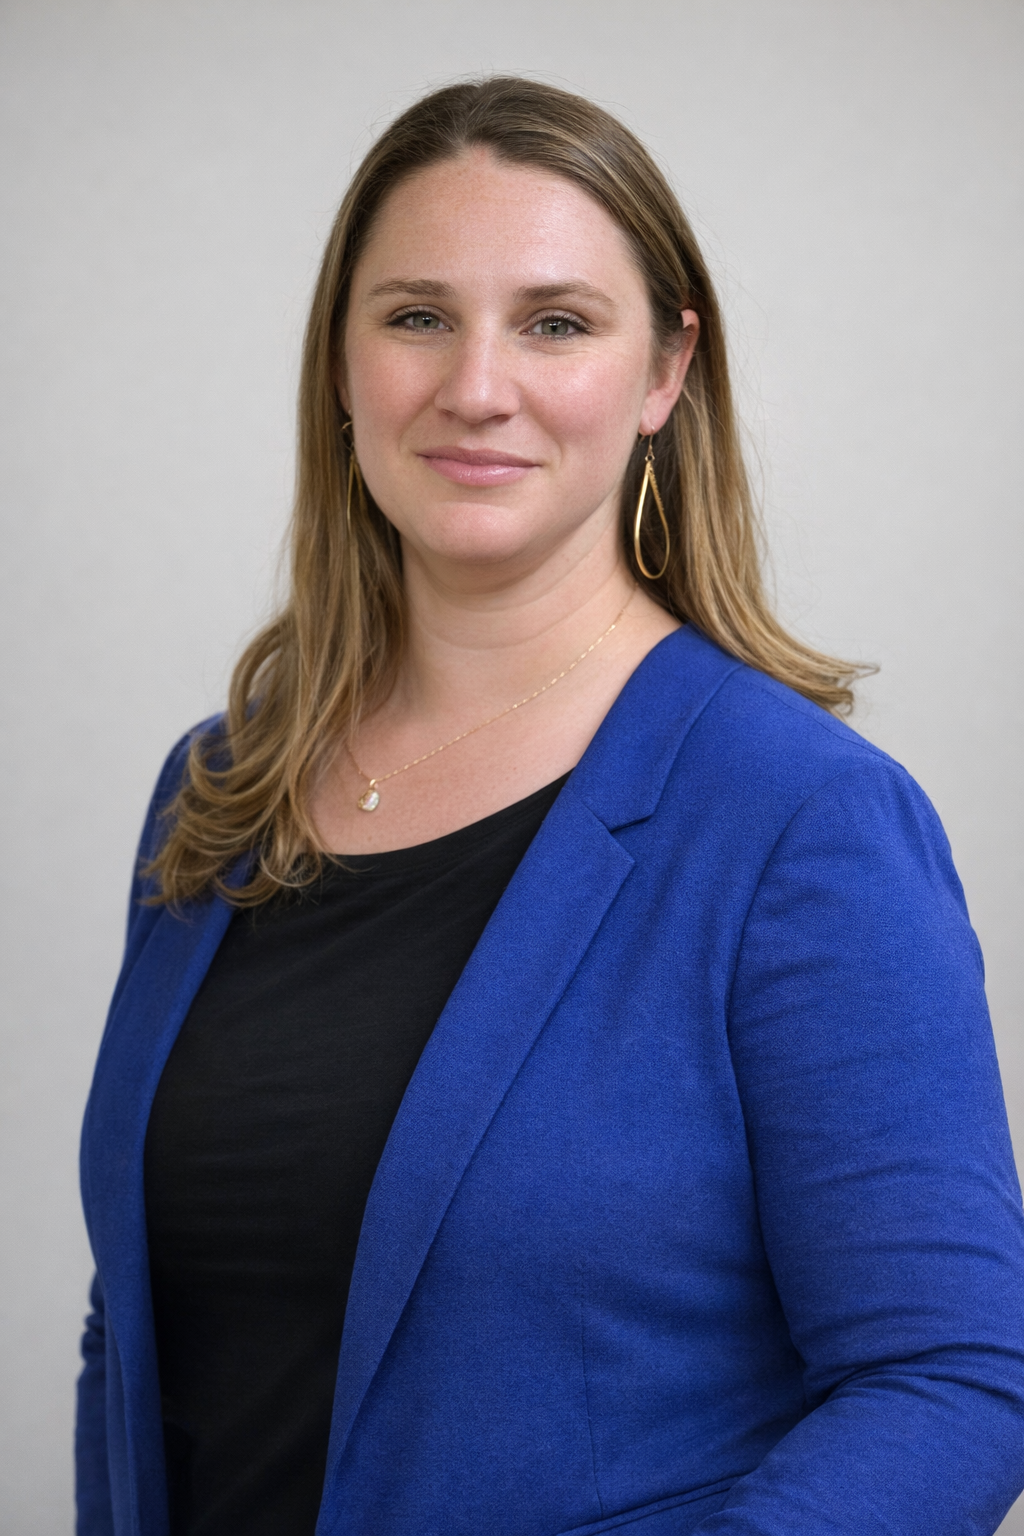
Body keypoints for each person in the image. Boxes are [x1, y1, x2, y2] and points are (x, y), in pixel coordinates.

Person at [76, 77, 1024, 1536]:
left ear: (665, 374)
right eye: (415, 317)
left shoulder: (797, 821)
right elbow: (142, 1339)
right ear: (340, 361)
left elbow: (956, 1379)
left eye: (556, 322)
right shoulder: (222, 788)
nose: (476, 385)